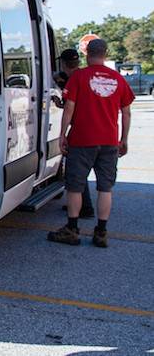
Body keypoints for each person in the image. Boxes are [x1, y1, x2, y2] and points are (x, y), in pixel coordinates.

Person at [47, 39, 134, 248]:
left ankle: (72, 229)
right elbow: (127, 111)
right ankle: (101, 233)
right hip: (109, 141)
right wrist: (124, 139)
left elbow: (69, 108)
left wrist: (62, 134)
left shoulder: (79, 76)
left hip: (82, 140)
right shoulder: (118, 79)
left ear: (87, 54)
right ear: (106, 53)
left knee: (75, 186)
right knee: (105, 188)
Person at [52, 48, 95, 218]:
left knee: (77, 173)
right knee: (82, 173)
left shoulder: (72, 79)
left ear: (63, 63)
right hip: (96, 130)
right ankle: (83, 206)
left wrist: (62, 134)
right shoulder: (85, 77)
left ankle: (83, 209)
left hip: (81, 132)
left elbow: (71, 107)